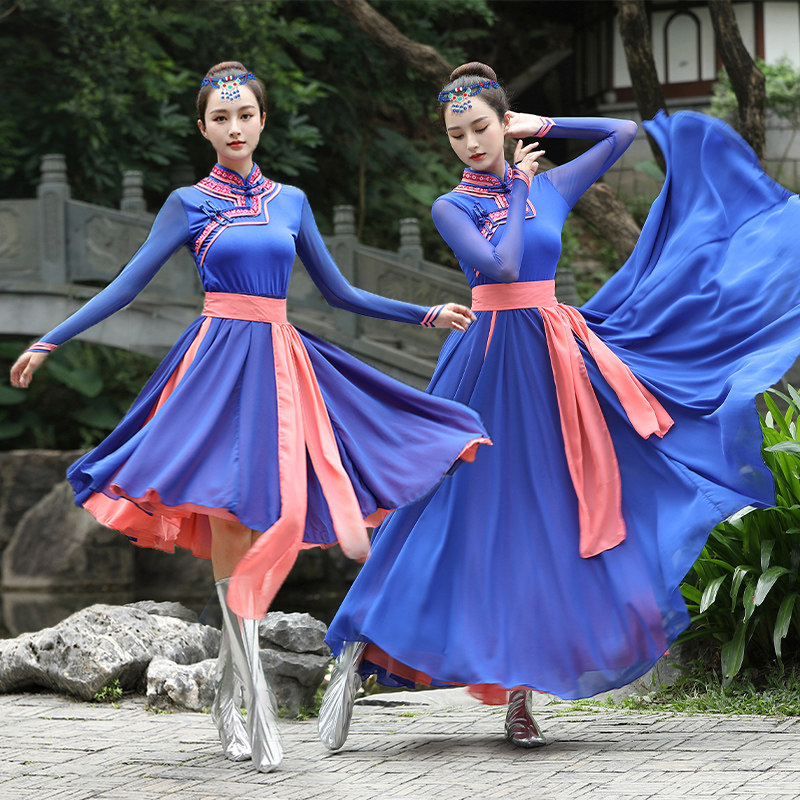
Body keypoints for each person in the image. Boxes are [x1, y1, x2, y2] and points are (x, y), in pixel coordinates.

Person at [9, 61, 491, 772]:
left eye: (245, 116)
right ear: (203, 128)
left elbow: (339, 292)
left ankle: (234, 691)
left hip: (283, 368)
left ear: (262, 121)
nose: (234, 128)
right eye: (220, 118)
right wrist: (52, 337)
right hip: (215, 371)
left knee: (273, 520)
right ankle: (250, 699)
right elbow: (126, 285)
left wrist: (419, 311)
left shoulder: (291, 202)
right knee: (233, 517)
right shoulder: (186, 203)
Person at [319, 61, 800, 751]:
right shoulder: (452, 206)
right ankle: (358, 652)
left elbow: (622, 132)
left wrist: (544, 127)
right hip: (485, 366)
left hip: (554, 368)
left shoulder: (550, 185)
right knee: (435, 511)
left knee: (545, 525)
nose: (470, 142)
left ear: (502, 121)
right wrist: (516, 187)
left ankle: (520, 702)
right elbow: (506, 266)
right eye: (457, 134)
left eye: (482, 126)